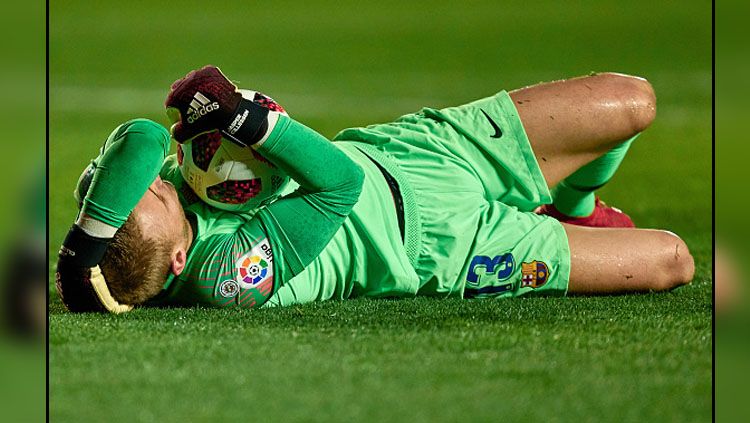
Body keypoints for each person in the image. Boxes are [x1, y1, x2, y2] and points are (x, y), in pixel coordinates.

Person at [55, 66, 694, 313]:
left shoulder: (131, 203)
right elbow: (339, 185)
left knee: (633, 101)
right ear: (174, 262)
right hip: (451, 248)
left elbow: (141, 139)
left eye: (145, 186)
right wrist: (252, 122)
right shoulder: (220, 278)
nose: (162, 180)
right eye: (159, 197)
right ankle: (559, 222)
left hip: (416, 151)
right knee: (672, 260)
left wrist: (83, 248)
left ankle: (574, 207)